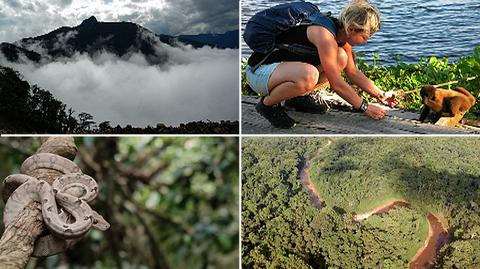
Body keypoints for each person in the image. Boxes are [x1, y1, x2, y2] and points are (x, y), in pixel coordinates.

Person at [244, 0, 398, 129]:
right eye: (365, 36)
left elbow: (353, 73)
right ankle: (267, 105)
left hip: (282, 72)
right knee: (309, 75)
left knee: (341, 57)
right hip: (260, 72)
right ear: (351, 29)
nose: (366, 41)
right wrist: (365, 107)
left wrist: (380, 95)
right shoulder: (324, 35)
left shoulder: (341, 37)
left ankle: (297, 98)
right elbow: (336, 84)